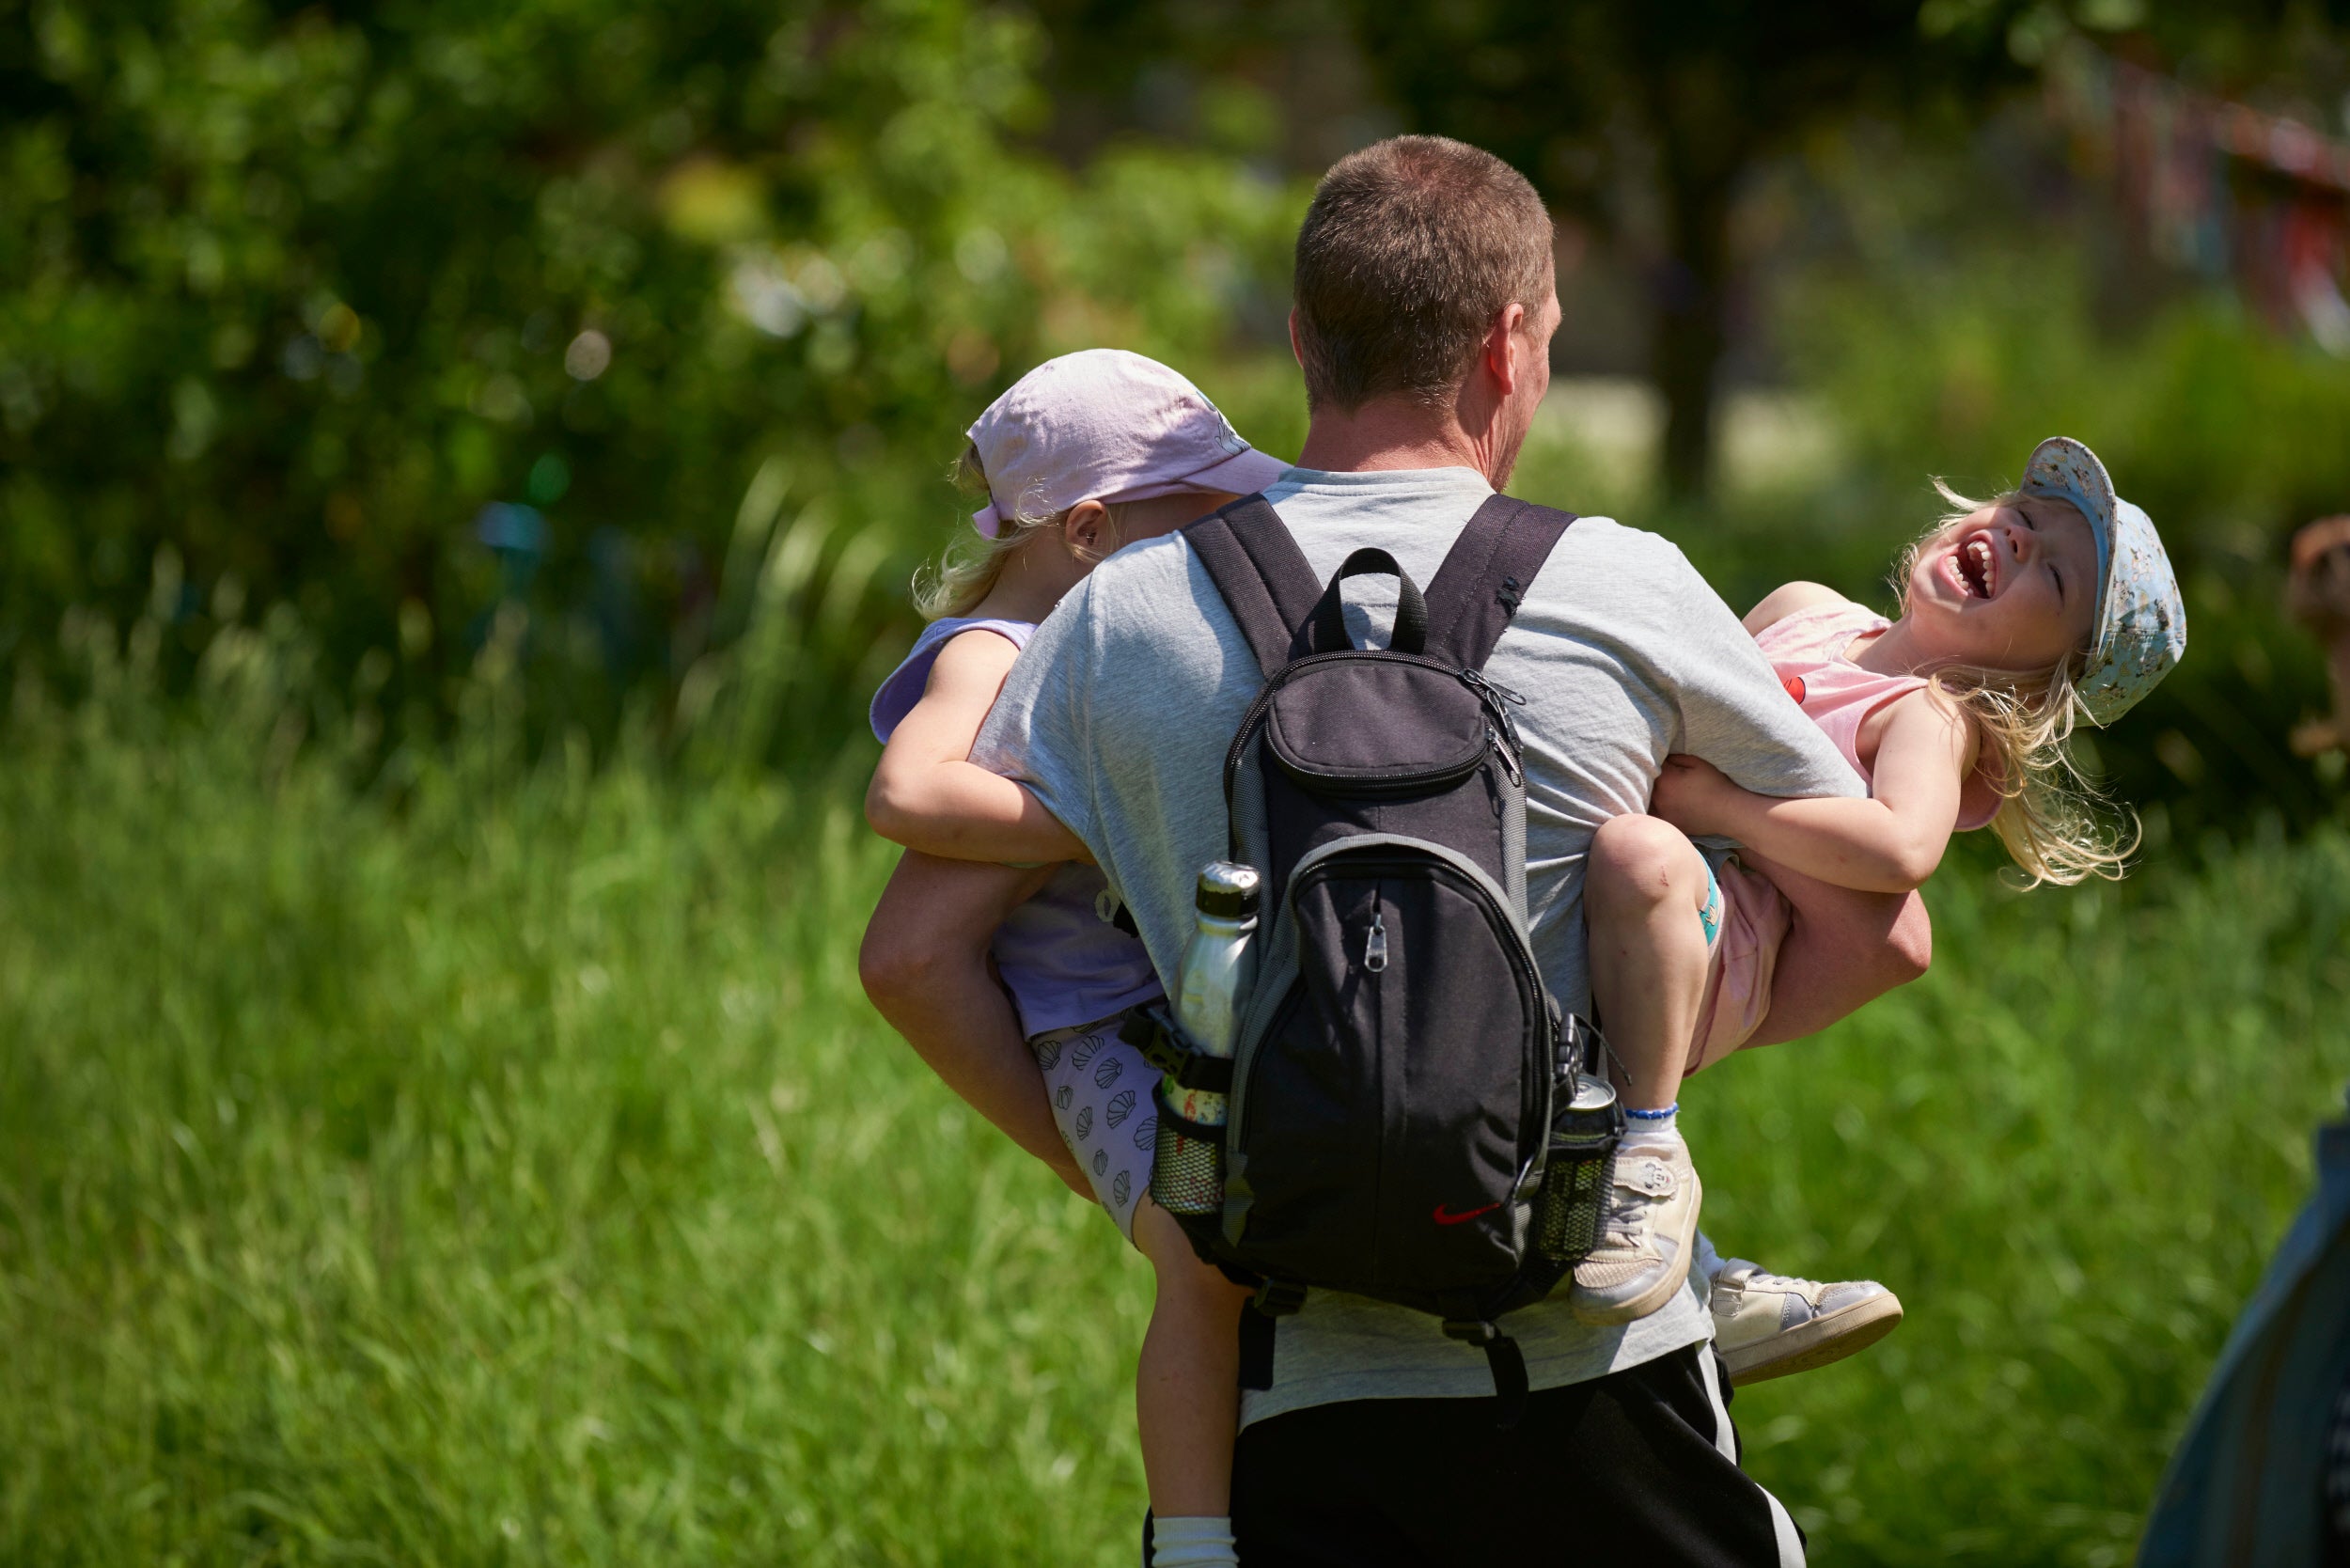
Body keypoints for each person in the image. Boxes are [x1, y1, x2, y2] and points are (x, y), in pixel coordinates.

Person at [864, 133, 1932, 1566]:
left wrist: (1173, 1190)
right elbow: (1885, 931)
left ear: (1304, 338)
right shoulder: (1626, 586)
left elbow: (913, 954)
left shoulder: (1117, 620)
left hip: (1298, 1404)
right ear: (1509, 347)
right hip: (1601, 1370)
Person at [1575, 437, 2187, 1348]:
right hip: (1662, 881)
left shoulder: (1927, 717)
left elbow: (1900, 847)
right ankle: (1695, 1278)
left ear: (2036, 680)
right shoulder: (1806, 611)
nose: (2018, 539)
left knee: (1638, 862)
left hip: (1720, 927)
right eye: (2022, 516)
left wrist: (1724, 807)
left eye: (2052, 578)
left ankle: (1651, 1156)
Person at [863, 349, 1283, 1561]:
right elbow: (906, 790)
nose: (1230, 542)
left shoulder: (1112, 644)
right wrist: (1108, 812)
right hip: (1092, 1035)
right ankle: (1194, 1541)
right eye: (1198, 518)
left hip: (1177, 1010)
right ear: (1091, 533)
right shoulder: (997, 645)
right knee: (1196, 1262)